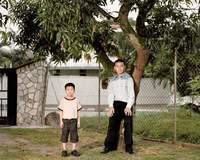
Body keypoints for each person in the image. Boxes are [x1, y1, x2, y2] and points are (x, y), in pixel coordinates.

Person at [101, 59, 135, 154]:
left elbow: (131, 94)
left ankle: (129, 147)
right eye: (117, 66)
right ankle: (109, 146)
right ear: (115, 68)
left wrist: (128, 106)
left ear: (124, 67)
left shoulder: (128, 78)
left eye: (121, 66)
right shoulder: (112, 80)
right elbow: (110, 94)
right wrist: (111, 106)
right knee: (112, 125)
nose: (119, 68)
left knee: (128, 125)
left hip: (126, 105)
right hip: (115, 104)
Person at [58, 82, 82, 157]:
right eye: (68, 89)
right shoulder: (63, 100)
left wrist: (78, 121)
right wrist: (61, 121)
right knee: (64, 135)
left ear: (74, 90)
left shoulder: (76, 100)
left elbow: (78, 111)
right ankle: (64, 150)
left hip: (73, 121)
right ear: (65, 91)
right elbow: (61, 111)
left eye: (71, 89)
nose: (70, 91)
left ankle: (73, 150)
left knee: (74, 135)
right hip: (65, 121)